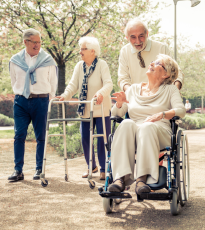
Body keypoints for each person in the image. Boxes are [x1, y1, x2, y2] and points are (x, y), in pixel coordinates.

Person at [109, 54, 186, 195]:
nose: (151, 63)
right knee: (126, 123)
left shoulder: (170, 90)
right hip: (135, 130)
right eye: (153, 61)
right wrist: (119, 104)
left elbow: (181, 110)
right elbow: (117, 114)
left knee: (147, 126)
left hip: (159, 131)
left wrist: (162, 114)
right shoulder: (132, 89)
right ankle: (119, 178)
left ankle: (141, 180)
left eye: (157, 63)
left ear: (166, 74)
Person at [56, 36, 113, 180]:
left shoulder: (102, 65)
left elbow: (108, 84)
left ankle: (103, 169)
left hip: (100, 109)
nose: (80, 52)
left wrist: (100, 93)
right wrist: (65, 96)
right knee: (86, 138)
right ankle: (91, 166)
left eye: (83, 49)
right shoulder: (79, 66)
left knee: (102, 140)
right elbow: (73, 85)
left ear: (93, 51)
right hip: (86, 109)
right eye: (80, 49)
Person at [8, 28, 58, 181]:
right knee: (19, 135)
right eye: (34, 42)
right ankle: (18, 170)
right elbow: (14, 81)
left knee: (41, 136)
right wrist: (21, 94)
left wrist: (47, 99)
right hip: (21, 101)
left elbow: (53, 83)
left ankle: (39, 169)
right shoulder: (15, 60)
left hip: (41, 101)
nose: (37, 45)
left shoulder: (48, 60)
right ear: (25, 42)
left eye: (39, 42)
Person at [118, 18, 184, 92]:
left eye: (141, 36)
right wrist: (133, 95)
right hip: (135, 98)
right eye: (133, 37)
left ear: (147, 34)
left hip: (159, 97)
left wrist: (175, 90)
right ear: (127, 38)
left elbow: (176, 73)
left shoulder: (161, 48)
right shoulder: (124, 51)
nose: (138, 41)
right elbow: (123, 79)